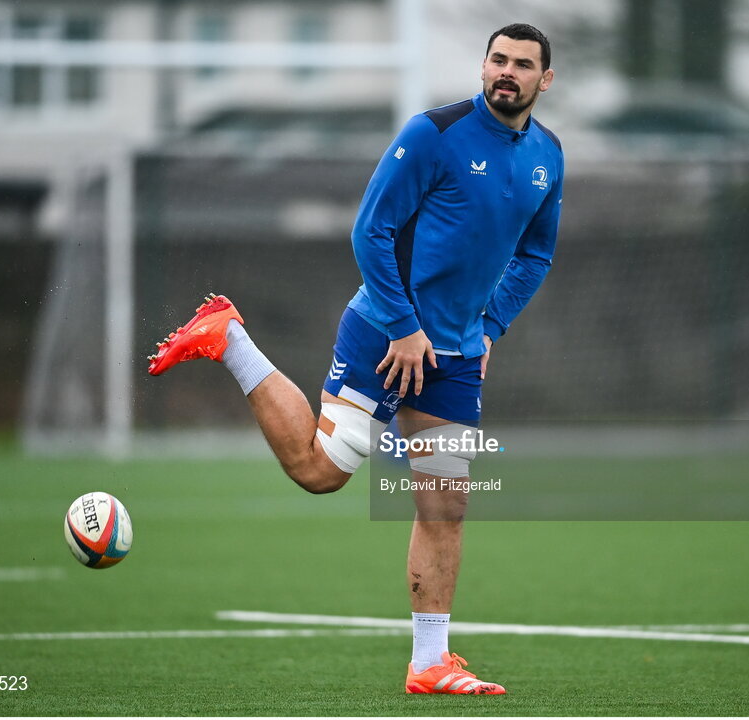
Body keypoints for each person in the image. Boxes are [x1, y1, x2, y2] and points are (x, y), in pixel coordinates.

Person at [148, 23, 562, 695]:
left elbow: (535, 253)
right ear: (483, 66)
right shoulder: (435, 134)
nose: (506, 72)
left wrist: (490, 326)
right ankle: (229, 338)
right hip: (385, 334)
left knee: (445, 505)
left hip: (455, 357)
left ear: (545, 81)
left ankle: (430, 663)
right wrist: (402, 326)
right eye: (497, 59)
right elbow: (370, 228)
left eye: (522, 64)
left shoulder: (548, 155)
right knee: (321, 472)